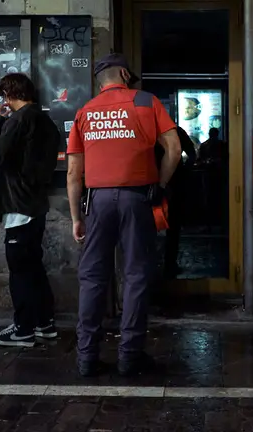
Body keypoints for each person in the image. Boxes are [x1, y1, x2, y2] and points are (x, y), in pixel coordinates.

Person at [66, 53, 182, 377]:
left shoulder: (85, 111)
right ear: (125, 75)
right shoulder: (146, 101)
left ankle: (86, 358)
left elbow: (74, 173)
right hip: (137, 198)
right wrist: (160, 184)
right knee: (136, 276)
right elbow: (174, 149)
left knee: (92, 277)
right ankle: (129, 356)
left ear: (99, 81)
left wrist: (76, 217)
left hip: (98, 201)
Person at [0, 73, 61, 347]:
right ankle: (44, 323)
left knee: (20, 270)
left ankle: (23, 329)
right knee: (34, 267)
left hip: (18, 205)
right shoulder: (45, 121)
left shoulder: (18, 120)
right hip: (36, 204)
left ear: (8, 95)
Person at [160, 126, 197, 278]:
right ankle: (169, 264)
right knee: (173, 227)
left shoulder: (149, 129)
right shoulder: (177, 131)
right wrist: (183, 171)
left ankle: (160, 265)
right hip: (174, 183)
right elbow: (192, 154)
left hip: (153, 182)